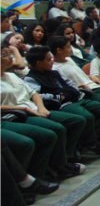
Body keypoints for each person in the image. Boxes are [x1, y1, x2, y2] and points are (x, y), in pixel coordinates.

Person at [1, 43, 87, 179]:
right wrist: (23, 108)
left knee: (69, 124)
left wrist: (41, 107)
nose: (10, 57)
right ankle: (37, 175)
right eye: (5, 54)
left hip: (33, 109)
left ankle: (61, 163)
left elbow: (33, 93)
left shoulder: (11, 76)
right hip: (15, 114)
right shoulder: (28, 76)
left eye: (9, 53)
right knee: (48, 134)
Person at [24, 46, 100, 157]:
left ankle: (84, 139)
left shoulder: (54, 71)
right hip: (61, 104)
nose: (52, 61)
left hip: (75, 97)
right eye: (48, 59)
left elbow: (70, 84)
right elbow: (36, 95)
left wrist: (71, 91)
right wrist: (58, 96)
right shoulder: (30, 78)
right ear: (38, 63)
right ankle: (89, 144)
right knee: (86, 118)